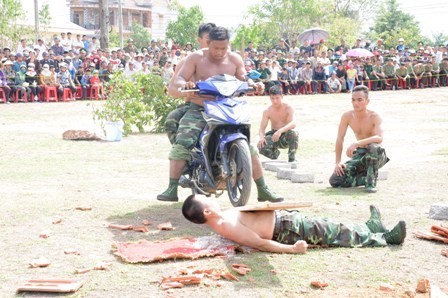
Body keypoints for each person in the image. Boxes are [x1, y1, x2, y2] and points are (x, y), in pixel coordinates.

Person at [161, 26, 283, 203]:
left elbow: (243, 76)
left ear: (229, 45)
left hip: (229, 107)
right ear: (208, 43)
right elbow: (177, 81)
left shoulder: (235, 59)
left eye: (223, 48)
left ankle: (263, 188)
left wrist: (253, 84)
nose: (219, 52)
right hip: (200, 108)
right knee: (183, 142)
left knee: (249, 147)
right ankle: (172, 187)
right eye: (215, 48)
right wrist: (185, 87)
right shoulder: (196, 58)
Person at [182, 195, 407, 253]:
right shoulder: (226, 225)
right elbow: (260, 244)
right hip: (287, 231)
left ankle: (370, 227)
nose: (211, 197)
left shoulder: (222, 217)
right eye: (206, 198)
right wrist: (292, 249)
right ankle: (385, 238)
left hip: (286, 220)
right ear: (207, 211)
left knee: (332, 225)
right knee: (333, 233)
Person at [329, 85, 389, 193]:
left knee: (373, 147)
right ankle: (367, 178)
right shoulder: (347, 116)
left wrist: (357, 143)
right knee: (335, 180)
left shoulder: (374, 116)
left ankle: (370, 183)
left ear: (367, 101)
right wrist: (337, 162)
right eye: (353, 100)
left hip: (376, 155)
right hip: (360, 155)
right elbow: (340, 138)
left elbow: (379, 138)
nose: (356, 103)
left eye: (360, 100)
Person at [165, 23, 216, 145]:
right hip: (194, 106)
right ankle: (185, 157)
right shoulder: (187, 61)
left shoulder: (225, 60)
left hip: (222, 106)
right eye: (209, 40)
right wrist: (185, 89)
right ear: (199, 40)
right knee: (172, 120)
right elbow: (172, 90)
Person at [258, 85, 298, 163]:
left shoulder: (288, 107)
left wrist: (280, 131)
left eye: (277, 98)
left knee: (294, 133)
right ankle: (275, 154)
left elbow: (294, 123)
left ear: (282, 96)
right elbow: (262, 129)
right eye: (272, 98)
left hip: (286, 135)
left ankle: (292, 158)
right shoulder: (267, 111)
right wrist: (261, 138)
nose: (275, 101)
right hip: (274, 136)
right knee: (260, 147)